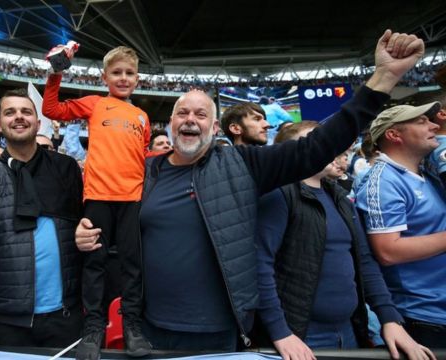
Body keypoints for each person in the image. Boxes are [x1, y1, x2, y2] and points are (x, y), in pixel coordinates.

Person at [76, 29, 425, 352]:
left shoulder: (244, 164)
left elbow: (316, 147)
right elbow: (119, 228)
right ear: (170, 123)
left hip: (221, 331)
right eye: (182, 112)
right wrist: (88, 233)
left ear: (215, 127)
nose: (189, 119)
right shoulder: (145, 171)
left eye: (200, 114)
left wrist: (383, 80)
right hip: (150, 330)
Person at [256, 121, 434, 360]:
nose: (326, 146)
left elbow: (365, 262)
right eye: (315, 141)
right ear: (292, 151)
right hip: (300, 336)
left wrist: (390, 319)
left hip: (348, 329)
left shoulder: (337, 195)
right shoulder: (279, 194)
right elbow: (259, 266)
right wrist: (280, 332)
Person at [42, 46, 152, 359]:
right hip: (98, 197)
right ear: (104, 77)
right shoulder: (95, 104)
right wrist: (55, 74)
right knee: (94, 265)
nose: (123, 78)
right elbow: (52, 110)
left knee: (133, 266)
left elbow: (140, 156)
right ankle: (92, 328)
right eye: (116, 72)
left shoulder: (142, 117)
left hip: (132, 199)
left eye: (129, 73)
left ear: (137, 79)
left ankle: (131, 326)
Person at [0, 89, 84, 358]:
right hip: (9, 322)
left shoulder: (66, 168)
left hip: (66, 317)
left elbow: (84, 229)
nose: (19, 117)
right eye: (10, 112)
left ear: (38, 123)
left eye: (26, 112)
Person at [355, 101, 446, 347]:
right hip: (422, 316)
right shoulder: (383, 180)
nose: (434, 125)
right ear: (394, 135)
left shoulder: (427, 172)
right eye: (421, 122)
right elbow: (388, 251)